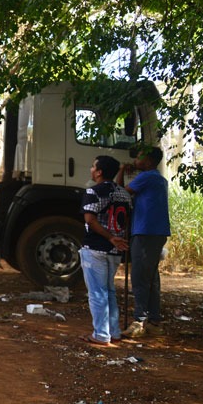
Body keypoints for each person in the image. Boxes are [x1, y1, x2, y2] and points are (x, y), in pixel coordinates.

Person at [117, 147, 171, 338]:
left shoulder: (147, 177)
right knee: (151, 278)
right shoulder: (157, 178)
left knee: (140, 276)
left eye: (139, 157)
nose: (136, 159)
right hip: (155, 232)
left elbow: (120, 194)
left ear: (148, 161)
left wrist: (123, 170)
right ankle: (154, 321)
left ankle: (139, 320)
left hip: (146, 232)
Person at [79, 155, 133, 346]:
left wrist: (109, 236)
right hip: (115, 250)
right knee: (109, 291)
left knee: (97, 293)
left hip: (95, 248)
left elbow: (90, 220)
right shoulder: (124, 195)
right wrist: (116, 240)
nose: (91, 170)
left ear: (100, 172)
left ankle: (101, 334)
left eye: (94, 167)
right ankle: (114, 332)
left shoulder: (93, 192)